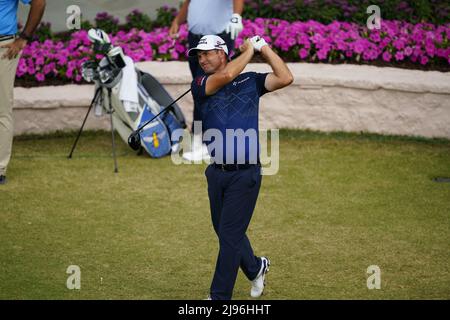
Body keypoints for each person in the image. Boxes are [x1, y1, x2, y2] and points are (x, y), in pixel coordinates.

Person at [188, 34, 293, 300]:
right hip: (216, 172)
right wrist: (249, 51)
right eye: (199, 55)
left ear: (222, 53)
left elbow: (284, 77)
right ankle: (257, 267)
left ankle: (218, 297)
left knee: (231, 236)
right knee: (224, 232)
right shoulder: (200, 83)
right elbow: (225, 76)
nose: (202, 59)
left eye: (207, 53)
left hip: (245, 173)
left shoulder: (251, 81)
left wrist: (264, 48)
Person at [169, 0, 244, 161]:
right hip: (195, 40)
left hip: (217, 39)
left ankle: (205, 142)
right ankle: (199, 139)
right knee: (200, 89)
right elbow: (189, 3)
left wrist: (237, 16)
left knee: (203, 88)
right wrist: (177, 21)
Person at [0, 0, 46, 185]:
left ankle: (0, 167)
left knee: (1, 109)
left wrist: (24, 37)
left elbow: (39, 2)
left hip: (2, 46)